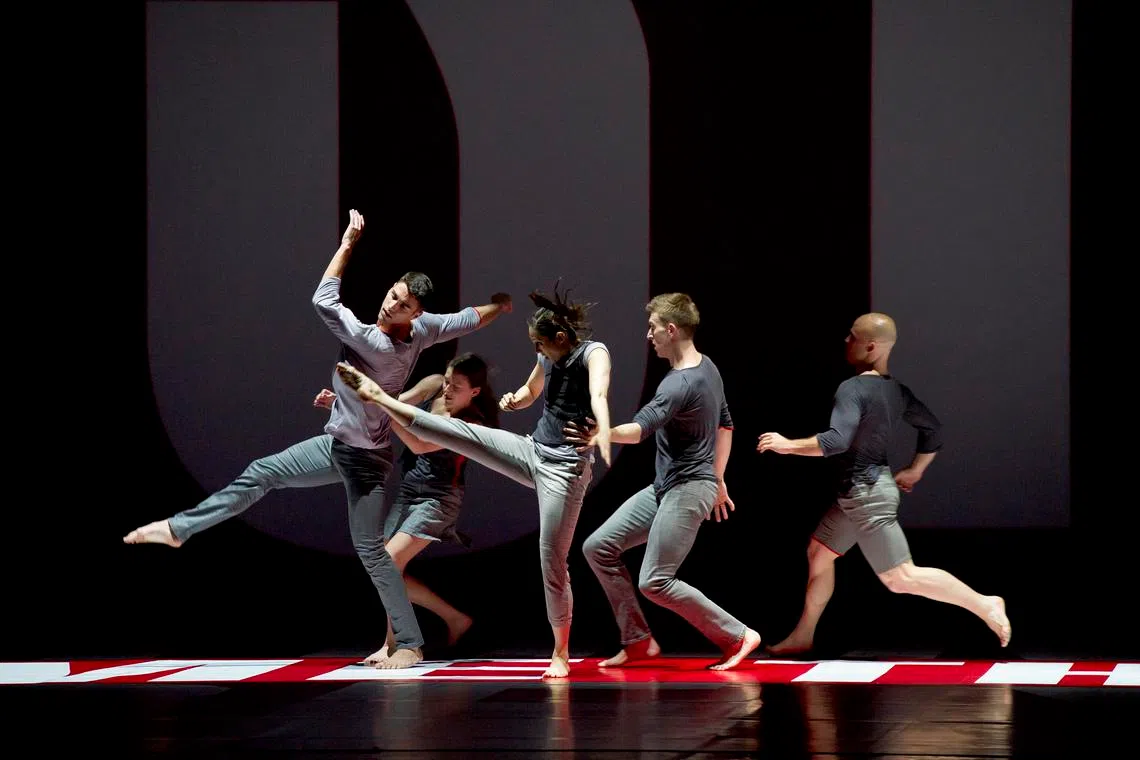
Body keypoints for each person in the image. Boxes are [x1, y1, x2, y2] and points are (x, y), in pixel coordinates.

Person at [128, 210, 512, 671]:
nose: (390, 305)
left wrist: (348, 243)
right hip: (338, 447)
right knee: (263, 472)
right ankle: (179, 529)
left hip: (366, 461)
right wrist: (499, 306)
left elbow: (323, 299)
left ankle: (410, 644)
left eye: (401, 304)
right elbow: (468, 319)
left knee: (373, 552)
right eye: (392, 295)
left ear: (415, 313)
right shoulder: (424, 330)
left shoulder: (371, 341)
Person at [333, 285, 612, 678]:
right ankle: (379, 397)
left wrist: (602, 426)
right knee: (461, 433)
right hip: (533, 451)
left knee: (551, 560)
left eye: (541, 344)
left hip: (565, 470)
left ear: (562, 338)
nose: (538, 350)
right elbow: (533, 389)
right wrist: (517, 398)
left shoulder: (593, 352)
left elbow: (599, 392)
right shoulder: (546, 355)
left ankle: (561, 653)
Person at [757, 312, 1011, 655]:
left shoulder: (853, 388)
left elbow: (836, 441)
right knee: (819, 554)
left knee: (900, 577)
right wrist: (915, 470)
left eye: (852, 336)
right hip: (856, 495)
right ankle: (804, 636)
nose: (846, 341)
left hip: (867, 496)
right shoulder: (896, 392)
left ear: (871, 346)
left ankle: (985, 604)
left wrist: (787, 445)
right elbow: (933, 430)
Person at [568, 293, 761, 671]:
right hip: (668, 487)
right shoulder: (708, 366)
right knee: (599, 547)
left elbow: (639, 430)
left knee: (655, 580)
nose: (648, 335)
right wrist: (718, 478)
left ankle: (738, 635)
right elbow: (726, 426)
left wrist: (601, 434)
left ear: (671, 330)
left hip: (688, 489)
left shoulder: (678, 385)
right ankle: (638, 640)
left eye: (653, 327)